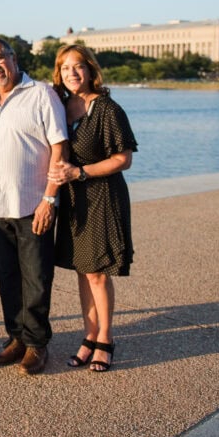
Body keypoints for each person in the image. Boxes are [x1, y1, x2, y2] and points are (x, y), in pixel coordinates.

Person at [0, 37, 68, 375]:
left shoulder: (41, 94)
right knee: (7, 277)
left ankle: (37, 344)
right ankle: (17, 338)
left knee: (37, 279)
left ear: (13, 58)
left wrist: (49, 199)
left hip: (33, 206)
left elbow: (59, 148)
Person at [48, 43, 137, 373]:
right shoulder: (61, 105)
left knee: (97, 273)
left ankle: (106, 338)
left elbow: (123, 159)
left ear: (90, 70)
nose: (72, 73)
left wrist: (81, 172)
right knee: (83, 272)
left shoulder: (107, 109)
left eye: (78, 66)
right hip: (72, 199)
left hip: (102, 195)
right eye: (65, 67)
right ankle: (88, 335)